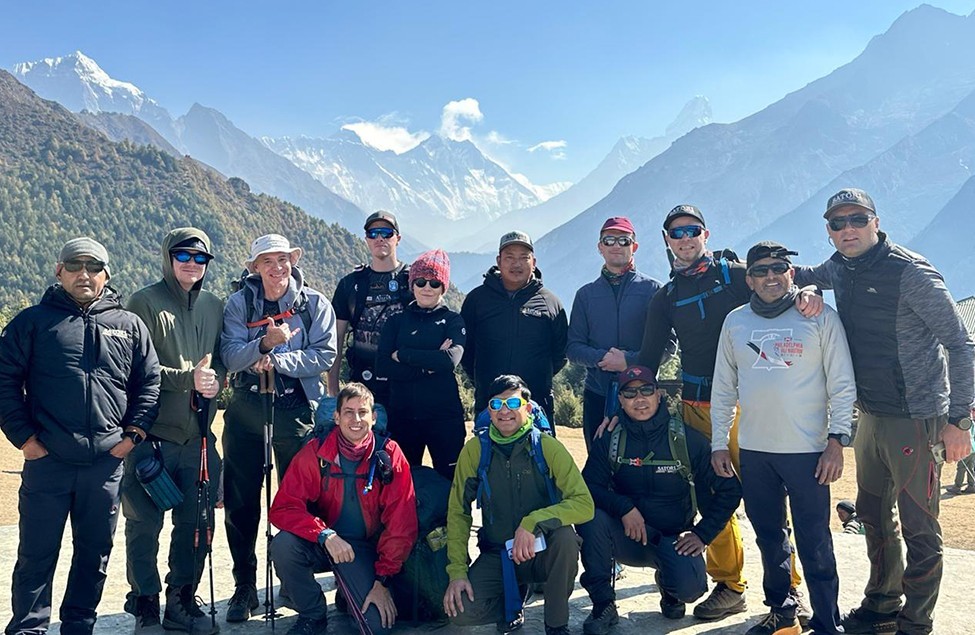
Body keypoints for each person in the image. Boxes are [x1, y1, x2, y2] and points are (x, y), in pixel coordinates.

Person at [794, 188, 975, 635]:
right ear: (830, 232)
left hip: (918, 415)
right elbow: (799, 273)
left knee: (919, 525)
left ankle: (915, 622)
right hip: (871, 415)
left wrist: (959, 421)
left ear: (876, 221)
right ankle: (881, 604)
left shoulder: (910, 273)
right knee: (873, 516)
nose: (848, 229)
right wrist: (809, 287)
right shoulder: (842, 265)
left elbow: (960, 343)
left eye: (857, 219)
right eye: (837, 223)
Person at [634, 204, 820, 621]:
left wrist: (809, 293)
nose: (685, 239)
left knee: (768, 499)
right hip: (697, 408)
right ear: (667, 241)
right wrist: (622, 404)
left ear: (706, 234)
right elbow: (648, 357)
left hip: (751, 404)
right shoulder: (666, 297)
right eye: (676, 233)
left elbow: (784, 280)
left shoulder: (735, 274)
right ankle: (729, 585)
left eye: (692, 230)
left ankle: (790, 588)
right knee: (712, 495)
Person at [0, 237, 160, 635]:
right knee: (36, 555)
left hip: (104, 465)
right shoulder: (32, 322)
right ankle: (28, 629)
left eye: (93, 268)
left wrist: (133, 435)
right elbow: (4, 381)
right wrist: (25, 440)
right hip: (47, 461)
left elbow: (150, 384)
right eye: (75, 266)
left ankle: (79, 626)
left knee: (93, 556)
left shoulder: (128, 326)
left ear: (107, 275)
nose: (84, 275)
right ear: (59, 271)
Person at [710, 241, 856, 635]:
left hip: (808, 452)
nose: (770, 276)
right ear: (750, 279)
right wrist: (719, 442)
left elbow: (842, 383)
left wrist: (837, 440)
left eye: (779, 268)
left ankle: (827, 622)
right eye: (760, 271)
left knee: (815, 541)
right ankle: (782, 612)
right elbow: (723, 386)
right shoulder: (736, 322)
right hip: (755, 451)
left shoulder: (819, 316)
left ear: (792, 273)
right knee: (769, 538)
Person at [220, 233, 338, 622]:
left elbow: (325, 354)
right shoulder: (239, 303)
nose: (277, 268)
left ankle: (293, 579)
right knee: (241, 502)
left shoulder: (314, 303)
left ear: (293, 261)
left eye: (283, 259)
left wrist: (278, 359)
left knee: (299, 499)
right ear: (254, 267)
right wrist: (265, 346)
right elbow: (230, 355)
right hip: (245, 408)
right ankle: (244, 585)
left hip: (297, 409)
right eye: (267, 261)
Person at [577, 366, 741, 634]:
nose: (639, 399)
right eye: (630, 393)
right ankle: (603, 604)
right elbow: (588, 487)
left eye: (646, 390)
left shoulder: (688, 439)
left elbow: (730, 489)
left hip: (671, 540)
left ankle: (670, 587)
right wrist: (624, 507)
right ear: (620, 399)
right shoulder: (610, 439)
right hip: (624, 537)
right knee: (590, 518)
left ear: (659, 394)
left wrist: (702, 534)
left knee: (691, 589)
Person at [120, 228, 225, 634]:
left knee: (195, 525)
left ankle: (181, 599)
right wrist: (189, 379)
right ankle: (145, 602)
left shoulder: (215, 306)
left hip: (198, 438)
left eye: (200, 258)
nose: (191, 264)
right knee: (144, 526)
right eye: (183, 255)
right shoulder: (143, 303)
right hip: (152, 439)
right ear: (167, 256)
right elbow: (134, 369)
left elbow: (221, 362)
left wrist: (220, 380)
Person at [443, 375, 594, 635]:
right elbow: (458, 512)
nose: (505, 411)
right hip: (499, 554)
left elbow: (584, 504)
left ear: (527, 407)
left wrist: (533, 522)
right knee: (461, 611)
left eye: (513, 403)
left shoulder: (548, 448)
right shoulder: (475, 451)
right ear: (488, 410)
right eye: (496, 404)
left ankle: (556, 625)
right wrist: (457, 571)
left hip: (544, 551)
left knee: (567, 539)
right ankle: (512, 603)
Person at [268, 382, 418, 635]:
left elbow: (401, 523)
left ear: (374, 416)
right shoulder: (315, 452)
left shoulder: (389, 454)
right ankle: (312, 614)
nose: (356, 419)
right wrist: (324, 535)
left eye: (363, 412)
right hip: (321, 541)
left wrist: (382, 580)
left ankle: (348, 593)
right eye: (348, 412)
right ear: (337, 417)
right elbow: (283, 508)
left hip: (363, 548)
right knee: (283, 545)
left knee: (377, 627)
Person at [567, 217, 662, 449]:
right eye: (609, 240)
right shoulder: (585, 295)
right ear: (600, 247)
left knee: (643, 463)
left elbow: (667, 345)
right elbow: (573, 348)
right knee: (598, 464)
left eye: (624, 240)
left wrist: (628, 361)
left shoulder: (653, 291)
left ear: (634, 246)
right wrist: (605, 360)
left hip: (643, 394)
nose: (616, 245)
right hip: (597, 394)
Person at [461, 232, 568, 427]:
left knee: (540, 456)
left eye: (523, 258)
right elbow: (466, 351)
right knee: (487, 456)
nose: (516, 264)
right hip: (490, 404)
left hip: (536, 403)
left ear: (533, 262)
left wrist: (537, 376)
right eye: (509, 257)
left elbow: (560, 353)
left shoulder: (550, 302)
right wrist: (483, 381)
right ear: (499, 261)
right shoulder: (477, 300)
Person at [376, 249, 466, 479]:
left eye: (435, 283)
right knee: (401, 482)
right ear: (412, 284)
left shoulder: (453, 320)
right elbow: (383, 366)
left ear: (443, 287)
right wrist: (429, 365)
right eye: (421, 281)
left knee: (451, 483)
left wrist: (403, 354)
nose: (427, 287)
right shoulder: (396, 321)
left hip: (444, 418)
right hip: (403, 417)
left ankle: (450, 518)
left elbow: (450, 360)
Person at [329, 211, 412, 407]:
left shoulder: (413, 281)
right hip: (362, 383)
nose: (380, 238)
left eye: (387, 233)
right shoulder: (349, 284)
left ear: (397, 238)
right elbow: (336, 339)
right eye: (373, 234)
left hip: (405, 383)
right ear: (366, 239)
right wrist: (332, 387)